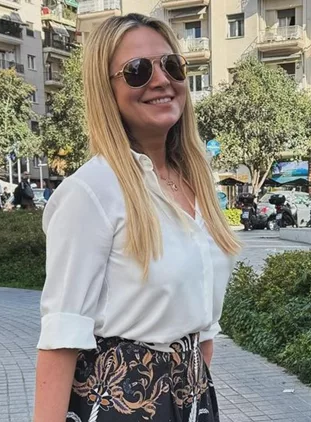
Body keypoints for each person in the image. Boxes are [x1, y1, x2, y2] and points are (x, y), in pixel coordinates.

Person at [33, 14, 241, 422]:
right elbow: (61, 337)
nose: (161, 80)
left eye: (172, 65)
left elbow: (203, 328)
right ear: (106, 90)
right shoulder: (91, 192)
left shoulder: (196, 184)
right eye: (137, 70)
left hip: (192, 398)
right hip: (121, 405)